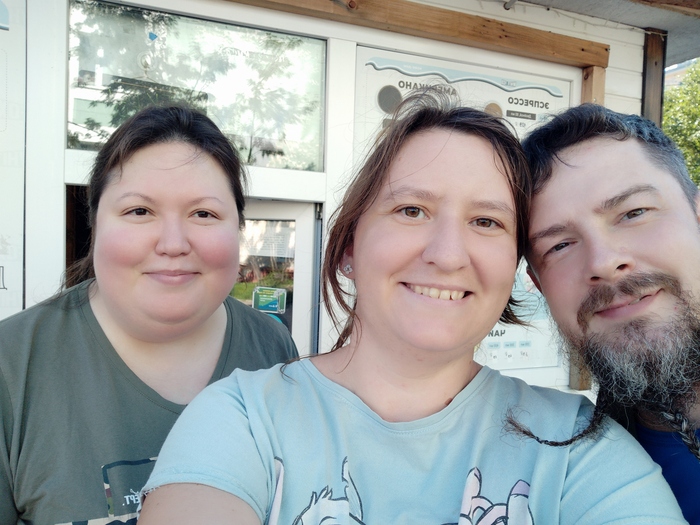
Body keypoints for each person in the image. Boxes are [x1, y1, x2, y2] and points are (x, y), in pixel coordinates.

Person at [138, 93, 685, 525]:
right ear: (349, 247)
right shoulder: (240, 420)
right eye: (411, 210)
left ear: (516, 271)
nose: (447, 254)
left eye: (487, 221)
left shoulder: (578, 448)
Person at [0, 105, 297, 525]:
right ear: (95, 225)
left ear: (238, 229)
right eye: (139, 211)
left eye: (203, 214)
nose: (173, 243)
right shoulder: (12, 365)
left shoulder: (273, 349)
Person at [522, 103, 700, 523]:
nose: (602, 262)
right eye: (559, 245)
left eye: (633, 213)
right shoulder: (563, 477)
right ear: (539, 285)